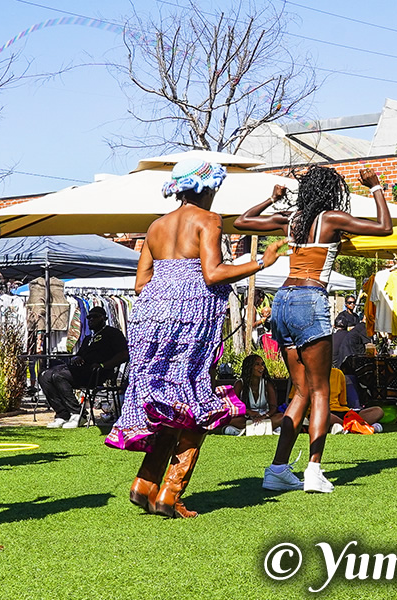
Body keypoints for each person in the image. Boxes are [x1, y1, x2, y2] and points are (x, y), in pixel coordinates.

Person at [106, 158, 287, 519]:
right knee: (194, 402)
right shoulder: (208, 220)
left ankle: (144, 485)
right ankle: (170, 494)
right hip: (190, 317)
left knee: (165, 403)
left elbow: (140, 283)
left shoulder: (155, 226)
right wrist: (261, 263)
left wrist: (169, 287)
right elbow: (213, 273)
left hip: (149, 317)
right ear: (207, 187)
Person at [235, 166, 392, 494]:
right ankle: (314, 471)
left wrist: (271, 199)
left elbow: (242, 222)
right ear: (331, 192)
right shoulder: (330, 219)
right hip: (309, 297)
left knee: (302, 390)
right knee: (320, 390)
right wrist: (376, 187)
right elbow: (384, 227)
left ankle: (277, 469)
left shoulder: (293, 219)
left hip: (283, 300)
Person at [42, 305, 129, 429]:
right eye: (89, 317)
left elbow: (124, 355)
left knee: (58, 376)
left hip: (98, 374)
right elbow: (79, 355)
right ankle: (62, 414)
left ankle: (78, 413)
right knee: (45, 375)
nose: (91, 319)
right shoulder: (88, 338)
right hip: (81, 371)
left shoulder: (112, 333)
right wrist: (76, 358)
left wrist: (103, 365)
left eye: (95, 317)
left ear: (104, 318)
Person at [228, 354, 283, 434]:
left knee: (281, 417)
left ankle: (247, 429)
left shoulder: (267, 384)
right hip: (246, 418)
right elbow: (234, 406)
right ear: (249, 367)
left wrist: (264, 416)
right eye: (257, 364)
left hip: (265, 417)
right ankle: (265, 428)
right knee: (229, 420)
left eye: (262, 364)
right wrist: (249, 412)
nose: (261, 367)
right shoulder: (240, 384)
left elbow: (273, 408)